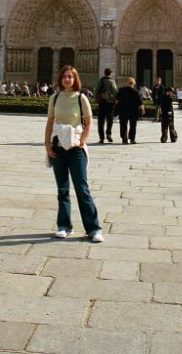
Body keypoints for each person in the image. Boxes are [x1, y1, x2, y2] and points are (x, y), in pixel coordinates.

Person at [44, 65, 103, 242]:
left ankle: (93, 229)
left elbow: (89, 121)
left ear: (75, 79)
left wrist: (83, 140)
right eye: (64, 76)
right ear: (60, 79)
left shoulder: (81, 98)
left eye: (70, 76)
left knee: (82, 189)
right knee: (62, 189)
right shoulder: (54, 98)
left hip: (76, 148)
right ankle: (64, 226)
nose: (67, 79)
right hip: (58, 147)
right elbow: (49, 122)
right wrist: (47, 145)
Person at [94, 67, 118, 144]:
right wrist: (115, 100)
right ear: (110, 73)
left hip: (101, 102)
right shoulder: (112, 81)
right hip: (109, 102)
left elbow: (96, 90)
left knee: (101, 120)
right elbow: (115, 91)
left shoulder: (100, 80)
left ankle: (101, 138)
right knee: (109, 120)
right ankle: (108, 134)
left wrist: (96, 98)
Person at [115, 77, 142, 144]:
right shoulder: (135, 92)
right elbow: (140, 103)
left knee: (123, 125)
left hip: (123, 110)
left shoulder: (122, 90)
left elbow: (117, 100)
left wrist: (116, 108)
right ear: (134, 83)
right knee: (133, 125)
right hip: (133, 111)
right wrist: (142, 109)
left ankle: (124, 139)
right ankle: (132, 139)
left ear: (127, 83)